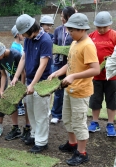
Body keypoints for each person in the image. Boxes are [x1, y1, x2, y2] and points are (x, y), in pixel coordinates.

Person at [48, 13, 100, 166]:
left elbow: (96, 69)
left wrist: (74, 76)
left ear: (82, 29)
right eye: (69, 30)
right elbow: (70, 63)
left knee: (79, 122)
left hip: (81, 91)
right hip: (70, 89)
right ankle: (72, 144)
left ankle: (82, 153)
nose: (69, 33)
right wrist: (58, 72)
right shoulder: (75, 43)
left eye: (72, 30)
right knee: (68, 118)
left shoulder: (88, 45)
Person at [11, 14, 53, 153]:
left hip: (42, 83)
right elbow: (23, 57)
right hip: (30, 81)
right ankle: (35, 135)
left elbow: (43, 65)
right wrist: (16, 76)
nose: (21, 36)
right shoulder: (28, 39)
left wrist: (33, 85)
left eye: (23, 33)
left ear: (30, 29)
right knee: (32, 112)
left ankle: (41, 142)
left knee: (41, 113)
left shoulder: (46, 40)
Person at [0, 40, 31, 141]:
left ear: (2, 51)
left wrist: (21, 89)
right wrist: (2, 90)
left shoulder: (15, 54)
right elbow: (3, 75)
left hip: (24, 82)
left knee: (26, 104)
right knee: (12, 103)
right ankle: (15, 128)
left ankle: (27, 128)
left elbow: (24, 73)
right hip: (13, 82)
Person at [88, 11, 116, 137]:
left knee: (112, 100)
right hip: (96, 76)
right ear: (95, 26)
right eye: (99, 27)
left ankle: (110, 124)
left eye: (105, 26)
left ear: (110, 24)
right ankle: (95, 122)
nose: (102, 29)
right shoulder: (91, 36)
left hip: (112, 76)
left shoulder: (114, 35)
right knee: (95, 99)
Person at [50, 6, 76, 124]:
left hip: (71, 65)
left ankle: (69, 114)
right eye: (60, 16)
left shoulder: (75, 30)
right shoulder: (58, 30)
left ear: (69, 16)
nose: (61, 18)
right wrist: (61, 50)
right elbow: (54, 47)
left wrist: (66, 50)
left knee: (71, 89)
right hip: (58, 63)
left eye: (63, 16)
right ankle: (56, 114)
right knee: (58, 90)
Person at [11, 25, 26, 116]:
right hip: (17, 73)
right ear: (17, 34)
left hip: (21, 73)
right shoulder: (14, 47)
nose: (23, 35)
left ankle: (20, 105)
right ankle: (19, 106)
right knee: (18, 89)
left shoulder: (19, 45)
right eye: (22, 33)